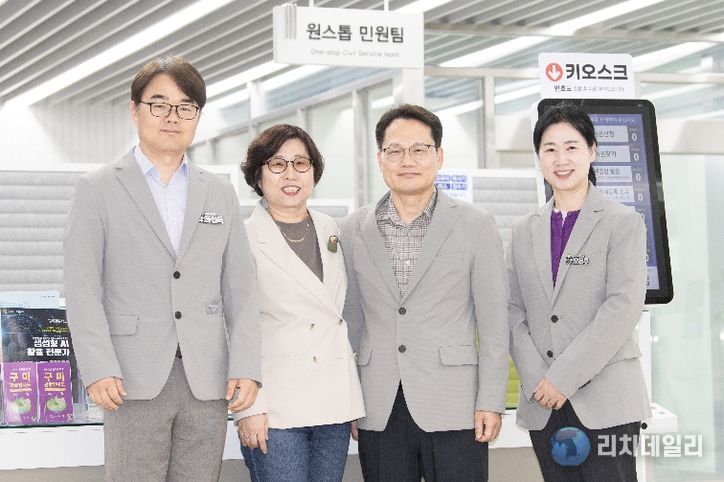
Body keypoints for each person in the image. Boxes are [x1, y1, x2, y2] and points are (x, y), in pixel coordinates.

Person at [63, 55, 261, 481]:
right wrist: (98, 366)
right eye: (159, 104)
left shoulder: (219, 192)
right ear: (134, 111)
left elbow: (241, 289)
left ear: (197, 117)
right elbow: (81, 288)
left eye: (186, 107)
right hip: (130, 377)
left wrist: (246, 364)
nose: (173, 117)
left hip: (206, 377)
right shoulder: (97, 187)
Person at [341, 104, 509, 481]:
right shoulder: (353, 229)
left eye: (419, 149)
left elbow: (495, 323)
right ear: (380, 159)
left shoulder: (475, 224)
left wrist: (491, 400)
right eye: (395, 150)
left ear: (439, 156)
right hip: (379, 404)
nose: (407, 160)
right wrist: (349, 399)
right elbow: (351, 320)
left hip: (455, 403)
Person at [508, 103, 651, 480]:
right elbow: (511, 309)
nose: (561, 159)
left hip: (607, 400)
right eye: (550, 149)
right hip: (544, 401)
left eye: (571, 147)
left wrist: (563, 378)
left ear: (592, 151)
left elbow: (622, 308)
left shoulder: (623, 223)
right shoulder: (523, 230)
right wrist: (538, 379)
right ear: (539, 157)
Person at [235, 124, 365, 482]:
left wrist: (353, 398)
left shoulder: (331, 229)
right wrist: (249, 408)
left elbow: (343, 319)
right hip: (275, 408)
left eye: (301, 163)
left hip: (333, 404)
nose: (290, 174)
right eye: (277, 164)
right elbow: (234, 327)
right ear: (258, 176)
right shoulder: (243, 238)